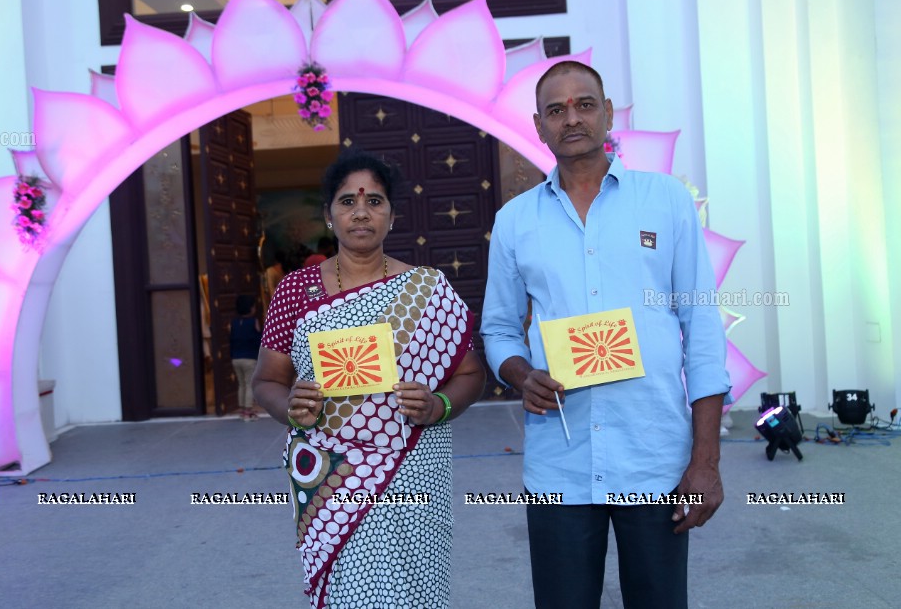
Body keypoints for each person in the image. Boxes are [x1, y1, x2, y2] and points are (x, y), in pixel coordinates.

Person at [480, 60, 731, 609]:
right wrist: (521, 374)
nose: (572, 118)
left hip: (654, 457)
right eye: (556, 110)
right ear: (539, 126)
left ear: (607, 113)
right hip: (560, 461)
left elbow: (701, 329)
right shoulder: (515, 220)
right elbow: (498, 328)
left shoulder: (665, 201)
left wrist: (705, 460)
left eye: (584, 104)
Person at [253, 150, 485, 609]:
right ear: (328, 214)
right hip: (333, 478)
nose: (361, 212)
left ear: (393, 216)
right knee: (351, 592)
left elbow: (471, 374)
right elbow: (267, 381)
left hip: (413, 473)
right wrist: (290, 406)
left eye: (375, 201)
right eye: (347, 202)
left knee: (413, 591)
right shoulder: (296, 292)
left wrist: (438, 406)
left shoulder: (428, 289)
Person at [229, 294, 262, 421]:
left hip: (236, 358)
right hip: (249, 358)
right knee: (249, 384)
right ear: (250, 308)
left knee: (241, 384)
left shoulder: (234, 322)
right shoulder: (253, 321)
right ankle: (248, 411)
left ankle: (242, 410)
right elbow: (258, 338)